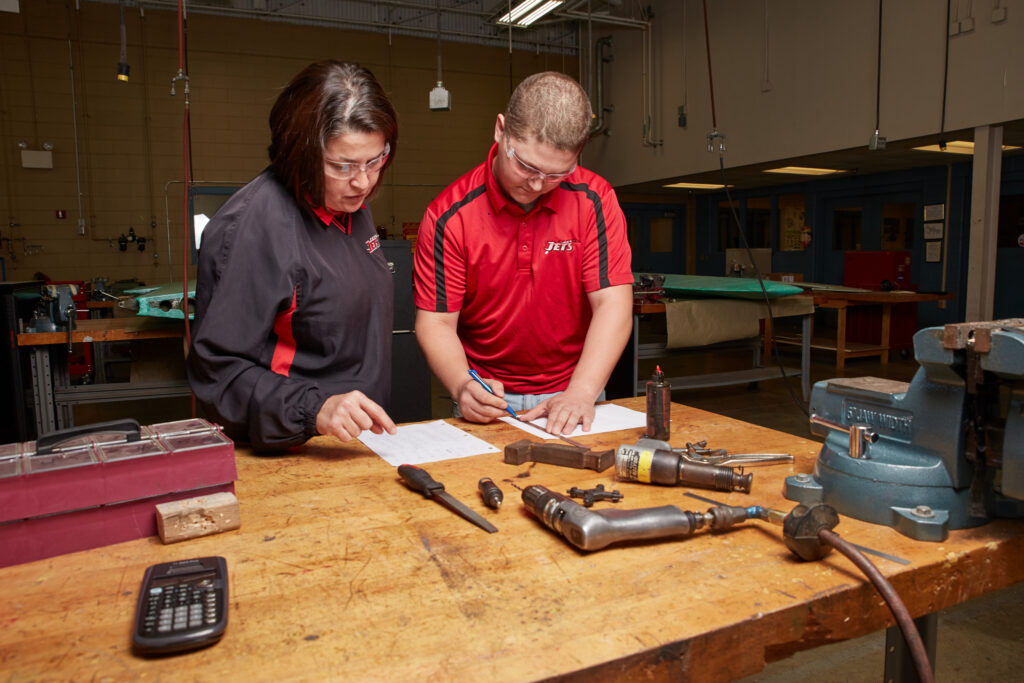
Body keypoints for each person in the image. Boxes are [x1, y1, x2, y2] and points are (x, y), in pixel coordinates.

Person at [187, 60, 398, 451]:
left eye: (375, 160)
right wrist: (312, 408)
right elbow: (218, 374)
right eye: (342, 165)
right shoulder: (254, 229)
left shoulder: (350, 204)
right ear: (298, 152)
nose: (364, 181)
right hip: (293, 450)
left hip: (357, 446)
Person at [413, 71, 633, 436]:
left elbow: (613, 304)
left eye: (555, 174)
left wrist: (581, 392)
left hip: (576, 390)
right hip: (489, 398)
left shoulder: (595, 200)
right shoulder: (449, 215)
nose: (536, 184)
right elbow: (435, 322)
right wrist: (462, 386)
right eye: (525, 165)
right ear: (500, 130)